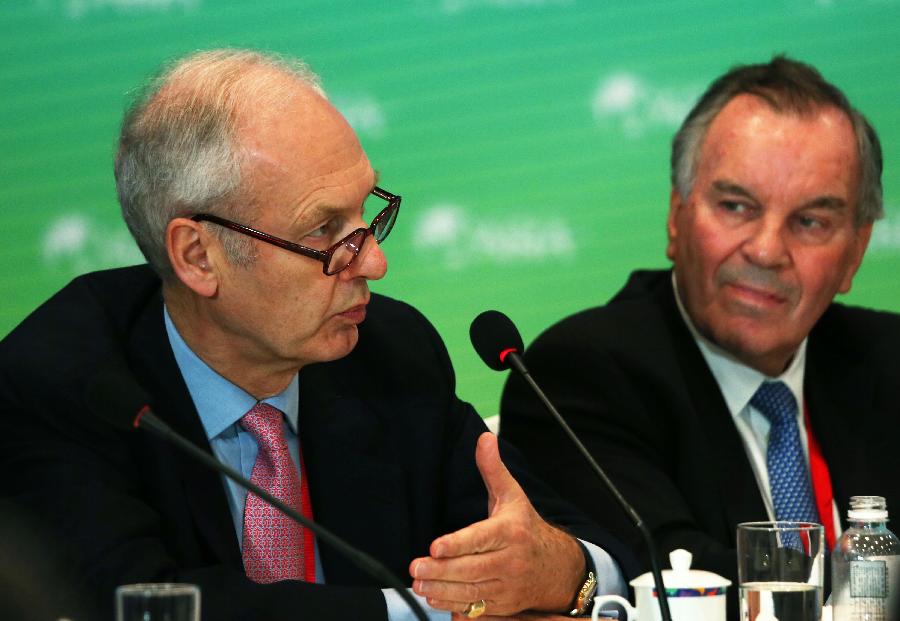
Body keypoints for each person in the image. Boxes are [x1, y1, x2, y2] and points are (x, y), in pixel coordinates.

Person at [0, 50, 635, 621]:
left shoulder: (388, 349)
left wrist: (561, 570)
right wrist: (426, 614)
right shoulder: (66, 383)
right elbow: (138, 603)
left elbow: (580, 548)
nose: (373, 263)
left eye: (367, 213)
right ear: (198, 256)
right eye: (324, 231)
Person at [500, 56, 900, 594]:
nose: (765, 250)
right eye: (736, 206)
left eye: (810, 222)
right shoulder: (584, 374)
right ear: (675, 215)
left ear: (855, 251)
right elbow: (679, 577)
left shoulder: (888, 359)